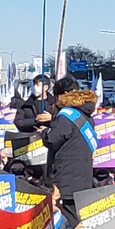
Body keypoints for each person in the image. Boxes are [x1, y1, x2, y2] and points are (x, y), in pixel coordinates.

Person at [42, 76, 97, 205]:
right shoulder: (86, 114)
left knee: (67, 221)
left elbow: (52, 139)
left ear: (65, 95)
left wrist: (45, 132)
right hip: (84, 179)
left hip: (66, 181)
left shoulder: (66, 116)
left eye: (56, 96)